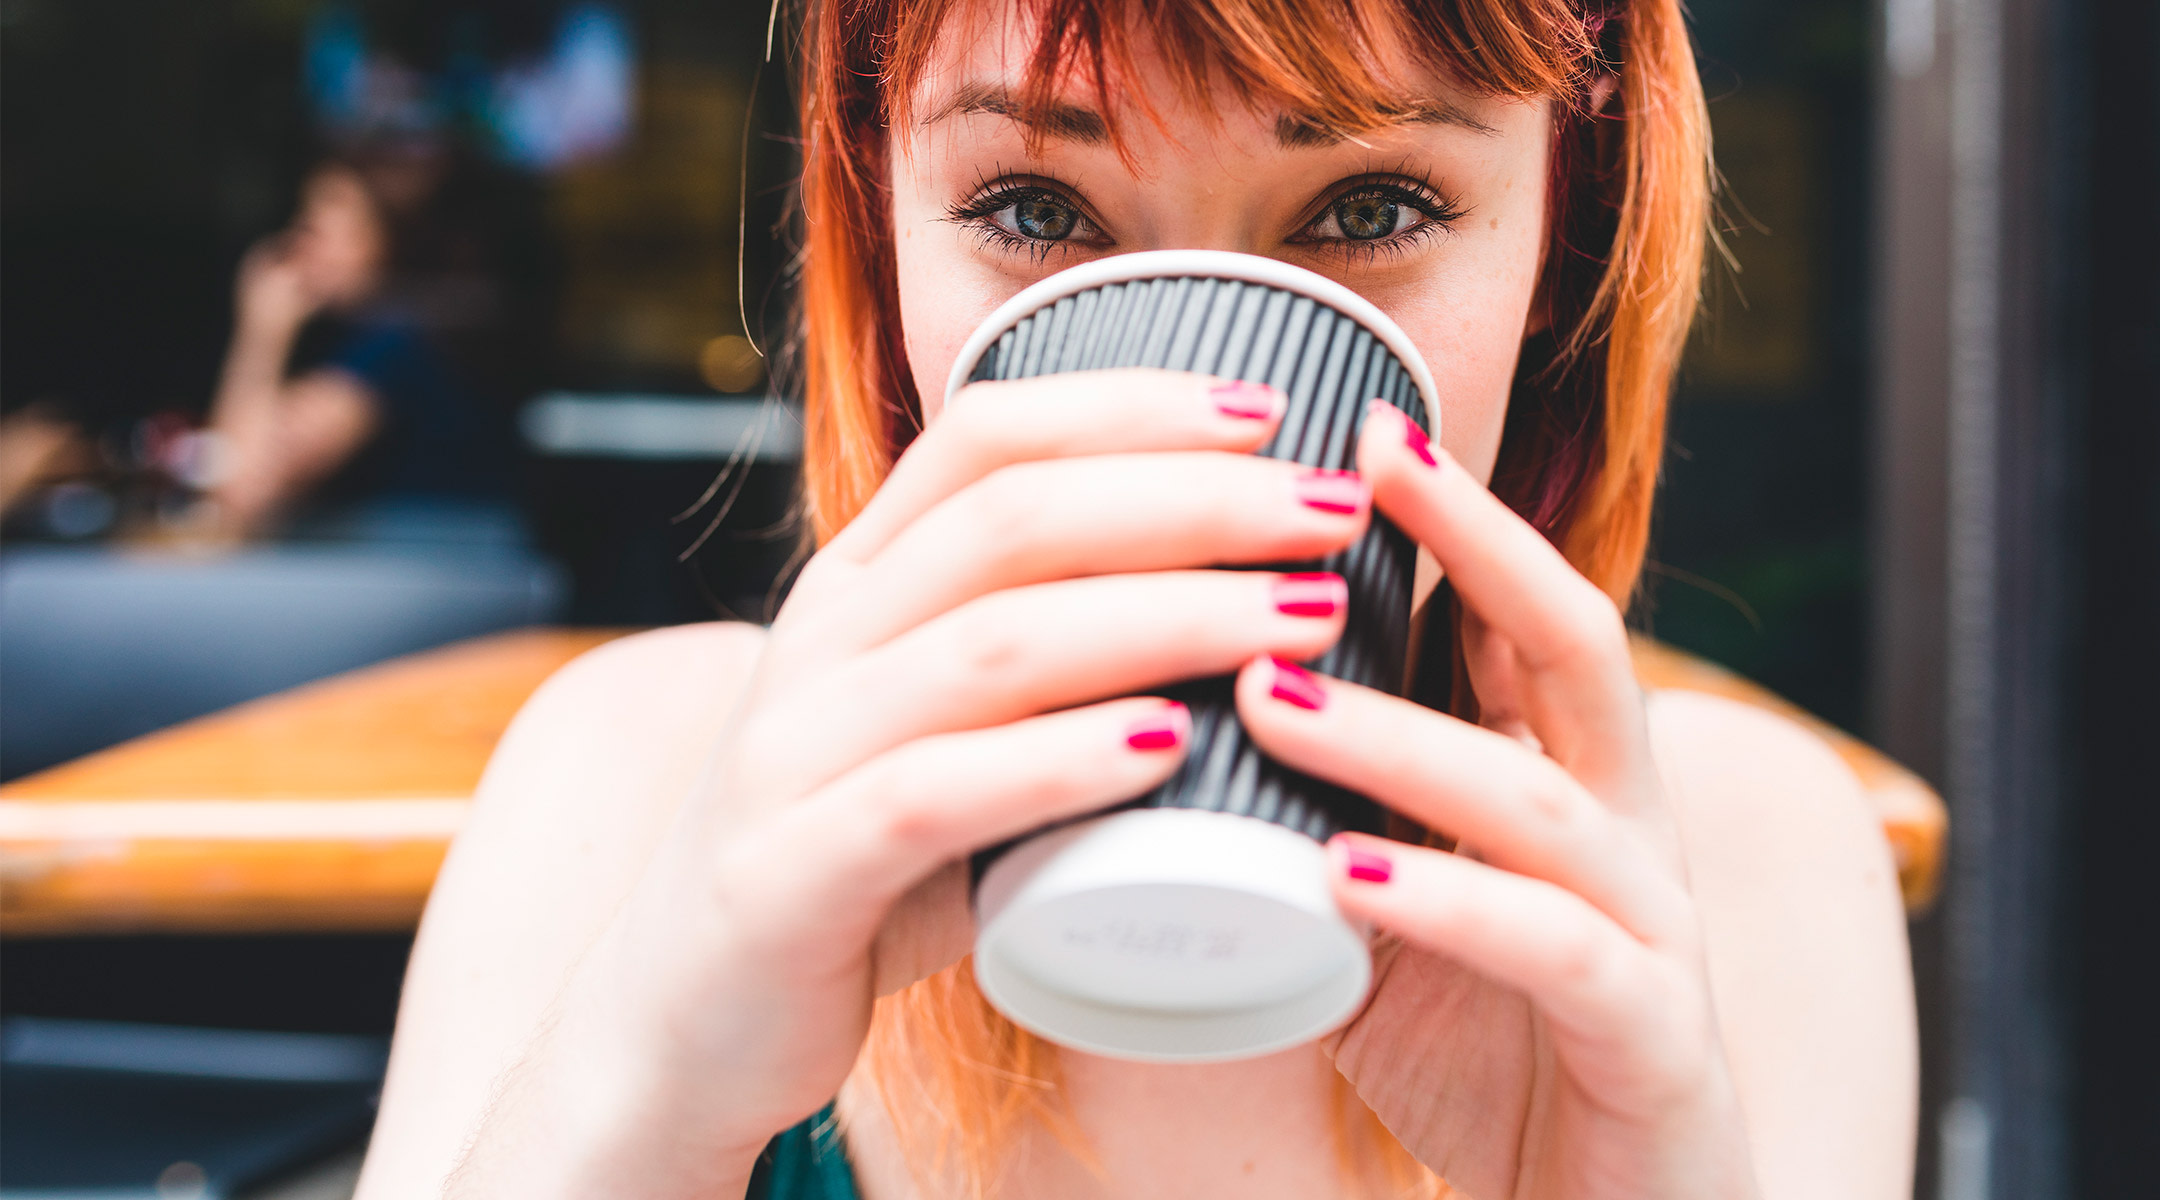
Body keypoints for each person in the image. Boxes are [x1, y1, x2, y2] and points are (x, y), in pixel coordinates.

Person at [355, 0, 1918, 1196]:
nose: (1188, 388)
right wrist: (646, 1102)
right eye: (1035, 209)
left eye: (1370, 209)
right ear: (877, 222)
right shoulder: (638, 790)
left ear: (1562, 252)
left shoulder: (1741, 877)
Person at [201, 148, 525, 540]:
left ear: (392, 239)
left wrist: (262, 331)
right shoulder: (409, 332)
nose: (300, 243)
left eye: (326, 228)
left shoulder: (393, 345)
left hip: (432, 574)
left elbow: (239, 497)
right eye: (305, 219)